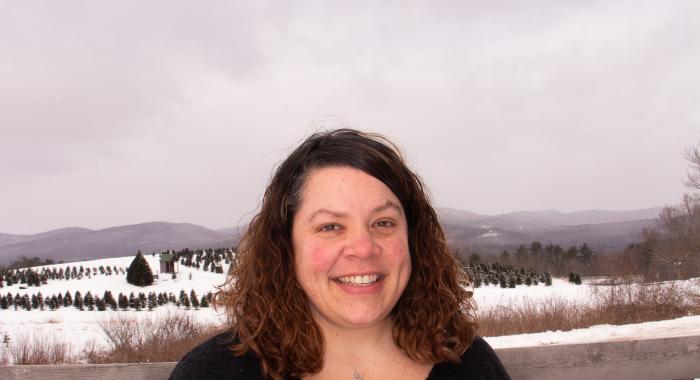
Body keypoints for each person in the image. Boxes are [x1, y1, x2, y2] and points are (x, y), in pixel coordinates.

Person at [169, 129, 510, 380]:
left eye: (383, 222)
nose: (363, 248)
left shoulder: (469, 364)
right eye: (330, 226)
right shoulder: (214, 373)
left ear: (413, 238)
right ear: (286, 246)